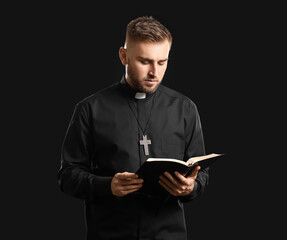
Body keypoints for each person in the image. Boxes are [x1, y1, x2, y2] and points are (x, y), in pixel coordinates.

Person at [58, 16, 209, 240]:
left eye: (162, 62)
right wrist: (107, 185)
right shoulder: (89, 109)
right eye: (144, 61)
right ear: (123, 56)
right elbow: (67, 176)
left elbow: (202, 173)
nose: (154, 73)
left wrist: (191, 187)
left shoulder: (185, 108)